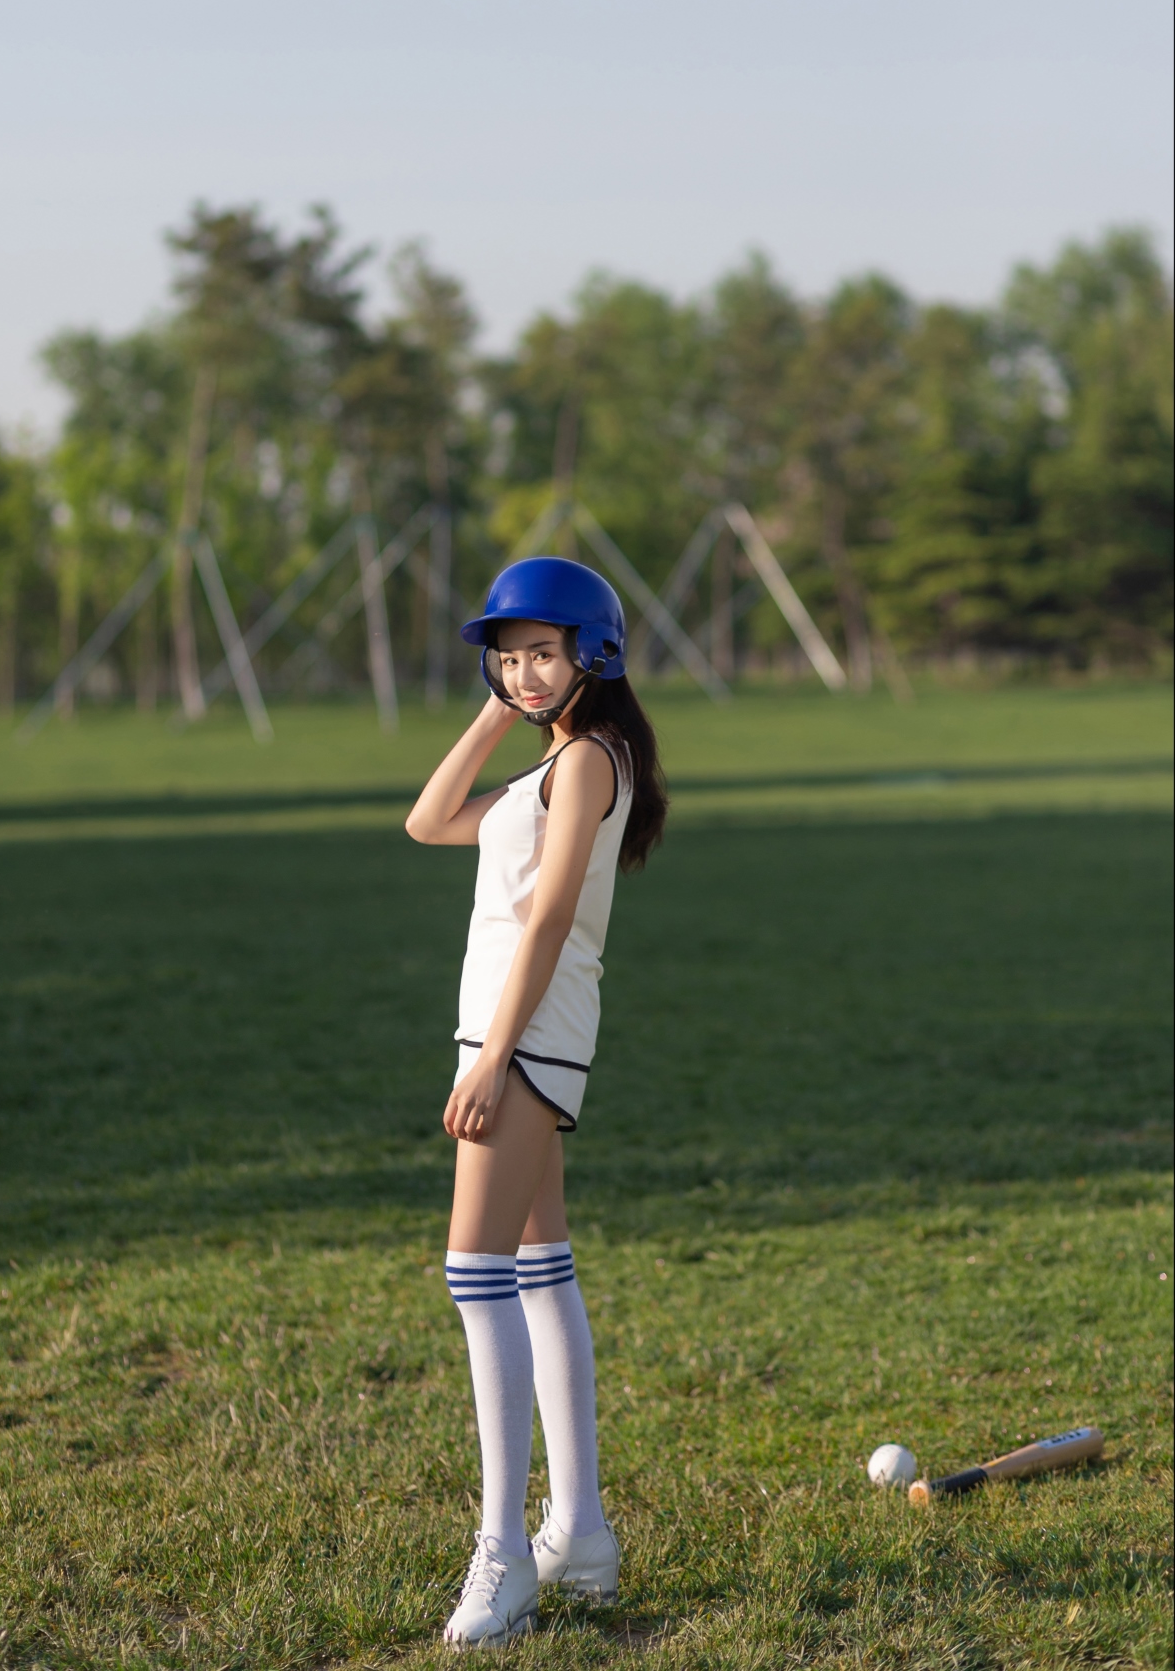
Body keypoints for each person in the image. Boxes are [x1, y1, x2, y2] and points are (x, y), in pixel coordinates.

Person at [405, 556, 668, 1650]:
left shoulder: (590, 762)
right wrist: (494, 712)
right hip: (517, 1038)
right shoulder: (555, 761)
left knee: (474, 1278)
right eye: (506, 658)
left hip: (523, 1041)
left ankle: (505, 1554)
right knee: (536, 1267)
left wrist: (494, 1059)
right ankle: (581, 1536)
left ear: (592, 656)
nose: (521, 673)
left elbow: (551, 918)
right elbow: (429, 821)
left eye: (542, 654)